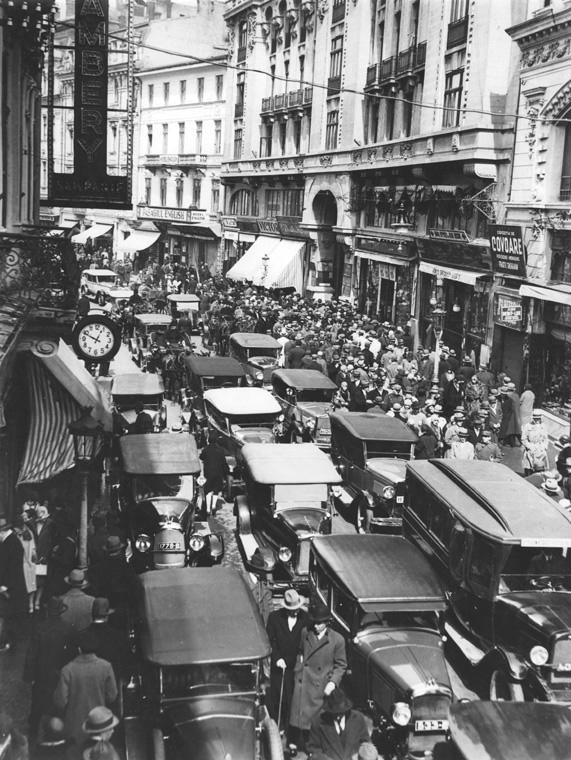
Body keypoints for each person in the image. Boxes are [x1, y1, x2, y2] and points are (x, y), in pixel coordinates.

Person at [289, 600, 347, 756]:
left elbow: (341, 666)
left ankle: (312, 750)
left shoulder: (337, 640)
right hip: (304, 681)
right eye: (314, 622)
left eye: (319, 623)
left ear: (327, 622)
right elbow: (300, 652)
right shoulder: (305, 633)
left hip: (321, 685)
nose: (315, 626)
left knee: (315, 721)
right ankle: (294, 743)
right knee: (299, 717)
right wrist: (298, 670)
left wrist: (333, 683)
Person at [53, 629, 118, 750]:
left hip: (74, 729)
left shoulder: (67, 670)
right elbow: (112, 696)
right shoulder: (106, 667)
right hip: (100, 725)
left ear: (79, 649)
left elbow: (60, 701)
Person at [24, 596, 75, 738]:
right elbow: (71, 653)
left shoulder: (40, 628)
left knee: (38, 704)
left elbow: (32, 654)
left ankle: (33, 730)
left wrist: (30, 676)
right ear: (61, 611)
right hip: (59, 672)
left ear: (48, 611)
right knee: (58, 704)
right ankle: (57, 733)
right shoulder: (67, 628)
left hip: (41, 673)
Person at [266, 589, 309, 731]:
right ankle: (277, 727)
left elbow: (307, 642)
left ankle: (291, 728)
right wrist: (277, 658)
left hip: (296, 665)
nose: (295, 612)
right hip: (279, 666)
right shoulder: (274, 618)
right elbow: (270, 641)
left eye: (297, 608)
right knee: (278, 696)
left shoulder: (305, 618)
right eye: (291, 609)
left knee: (293, 698)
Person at [307, 689, 369, 760]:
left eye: (341, 712)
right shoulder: (318, 722)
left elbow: (367, 745)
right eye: (335, 713)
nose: (338, 716)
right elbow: (313, 749)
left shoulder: (358, 719)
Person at [0, 516, 28, 652]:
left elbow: (12, 568)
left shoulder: (11, 543)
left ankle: (10, 643)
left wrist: (4, 586)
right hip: (11, 586)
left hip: (11, 588)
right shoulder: (11, 541)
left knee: (10, 615)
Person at [199, 432, 229, 509]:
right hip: (218, 473)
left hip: (208, 473)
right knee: (216, 490)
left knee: (208, 490)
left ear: (208, 440)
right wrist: (226, 473)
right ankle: (213, 505)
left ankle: (208, 509)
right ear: (216, 441)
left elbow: (201, 457)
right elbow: (224, 462)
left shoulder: (206, 449)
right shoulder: (221, 450)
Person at [521, 409, 549, 476]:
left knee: (541, 469)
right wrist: (529, 446)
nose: (537, 420)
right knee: (529, 469)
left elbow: (546, 439)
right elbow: (523, 439)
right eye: (535, 419)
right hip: (531, 449)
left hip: (541, 450)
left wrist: (544, 447)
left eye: (538, 419)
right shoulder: (528, 426)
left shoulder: (543, 426)